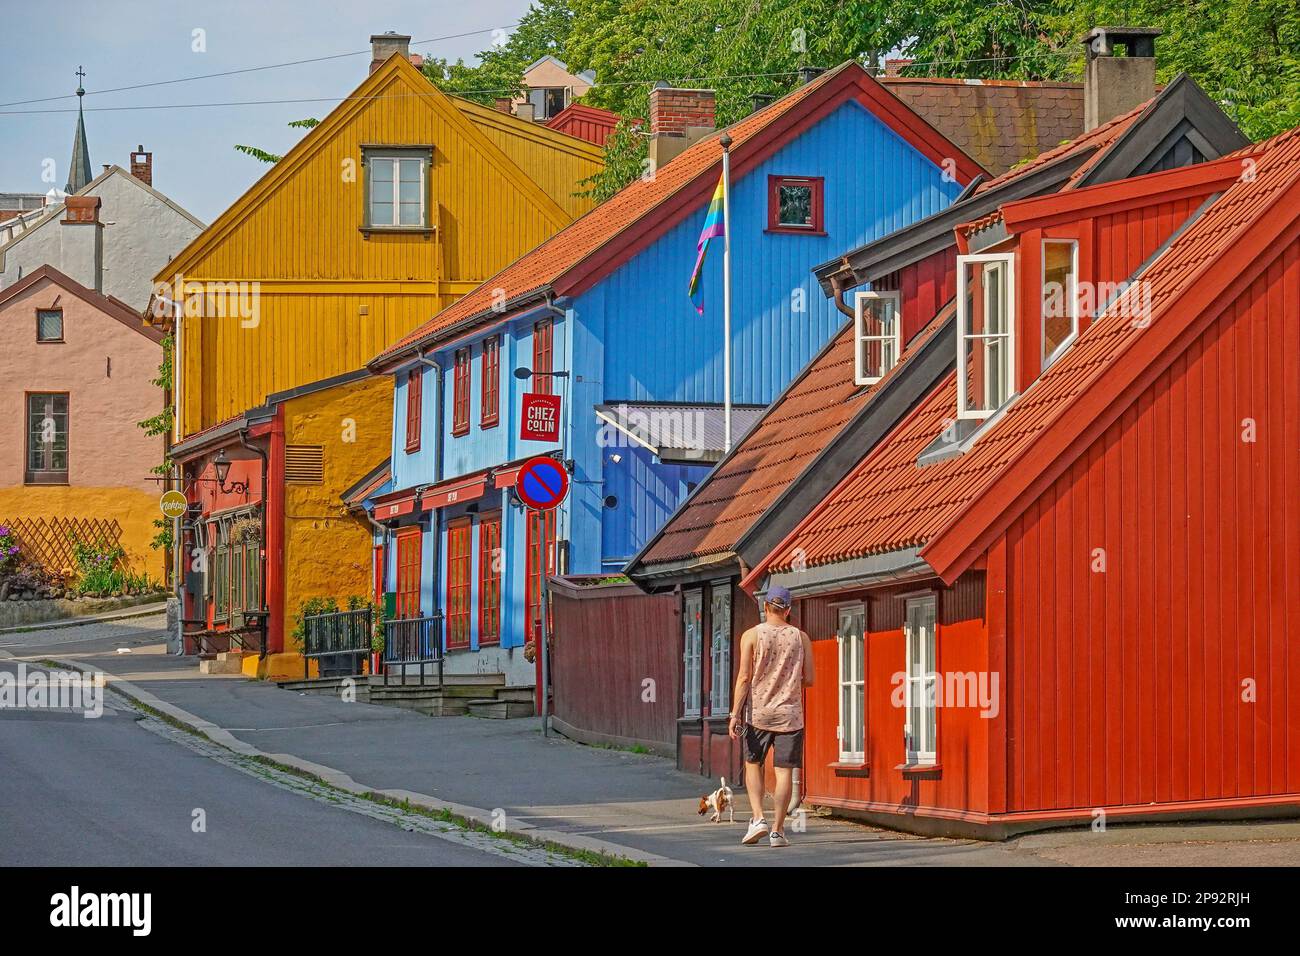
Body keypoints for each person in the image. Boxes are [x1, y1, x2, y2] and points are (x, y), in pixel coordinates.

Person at [728, 584, 814, 847]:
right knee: (784, 771)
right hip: (790, 716)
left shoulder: (751, 636)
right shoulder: (801, 638)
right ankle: (777, 831)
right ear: (788, 610)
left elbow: (744, 677)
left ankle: (757, 818)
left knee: (754, 764)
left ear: (765, 607)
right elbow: (809, 679)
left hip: (759, 713)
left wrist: (734, 714)